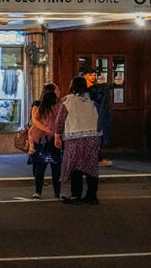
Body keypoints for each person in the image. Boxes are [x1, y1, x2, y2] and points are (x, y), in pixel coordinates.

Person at [56, 76, 101, 204]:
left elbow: (60, 121)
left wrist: (57, 135)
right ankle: (92, 196)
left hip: (74, 138)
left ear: (72, 86)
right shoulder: (93, 99)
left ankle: (76, 195)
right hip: (93, 136)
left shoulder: (67, 101)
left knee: (76, 167)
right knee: (91, 167)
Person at [29, 83, 62, 200]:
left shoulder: (60, 104)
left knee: (56, 167)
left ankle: (57, 192)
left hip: (54, 139)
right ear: (51, 92)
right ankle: (38, 191)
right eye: (57, 90)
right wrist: (47, 129)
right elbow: (35, 120)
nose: (59, 92)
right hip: (43, 140)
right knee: (41, 166)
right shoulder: (39, 105)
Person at [83, 68, 112, 148]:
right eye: (90, 75)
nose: (93, 77)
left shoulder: (96, 87)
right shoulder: (87, 87)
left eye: (94, 75)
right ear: (85, 76)